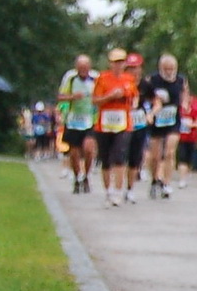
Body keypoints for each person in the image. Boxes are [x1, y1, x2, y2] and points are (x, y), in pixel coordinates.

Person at [91, 47, 138, 206]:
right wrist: (110, 96)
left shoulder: (129, 79)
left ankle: (118, 191)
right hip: (104, 124)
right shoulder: (102, 78)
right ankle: (108, 191)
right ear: (110, 63)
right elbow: (95, 100)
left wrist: (129, 99)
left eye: (121, 62)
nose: (118, 65)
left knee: (119, 156)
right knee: (105, 159)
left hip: (123, 124)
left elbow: (133, 98)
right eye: (115, 62)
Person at [143, 54, 186, 198]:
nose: (169, 72)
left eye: (172, 68)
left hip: (173, 120)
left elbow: (185, 94)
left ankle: (167, 183)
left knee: (169, 152)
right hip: (157, 120)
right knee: (155, 156)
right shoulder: (152, 80)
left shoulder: (181, 80)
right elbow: (145, 96)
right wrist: (150, 109)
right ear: (160, 68)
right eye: (166, 69)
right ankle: (155, 179)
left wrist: (185, 104)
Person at [57, 54, 98, 193]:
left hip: (90, 119)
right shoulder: (70, 77)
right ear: (76, 67)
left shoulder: (96, 78)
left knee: (88, 149)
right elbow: (60, 96)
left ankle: (86, 176)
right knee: (74, 153)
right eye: (80, 68)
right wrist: (73, 97)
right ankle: (77, 177)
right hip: (73, 119)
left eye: (85, 68)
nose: (83, 71)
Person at [124, 53, 150, 202]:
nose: (134, 71)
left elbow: (156, 101)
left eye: (136, 68)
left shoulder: (146, 85)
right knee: (120, 155)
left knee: (135, 156)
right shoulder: (121, 82)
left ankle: (130, 188)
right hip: (122, 122)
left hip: (139, 122)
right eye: (131, 68)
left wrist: (151, 113)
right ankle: (118, 186)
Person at [177, 91, 197, 187]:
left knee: (189, 158)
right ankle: (182, 179)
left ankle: (186, 175)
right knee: (182, 157)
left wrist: (191, 124)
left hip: (192, 138)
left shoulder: (195, 110)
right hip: (181, 137)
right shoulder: (179, 110)